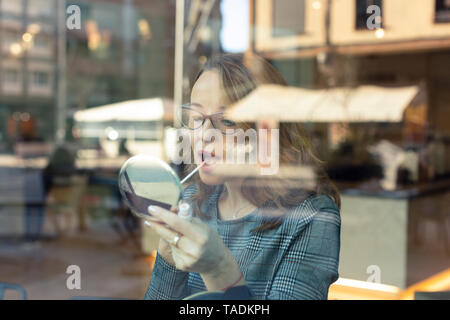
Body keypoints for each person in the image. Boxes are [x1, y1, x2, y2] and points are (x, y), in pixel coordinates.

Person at [144, 53, 341, 300]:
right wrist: (167, 261)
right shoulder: (192, 201)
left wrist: (219, 268)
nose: (205, 135)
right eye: (196, 118)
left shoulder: (311, 217)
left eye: (226, 121)